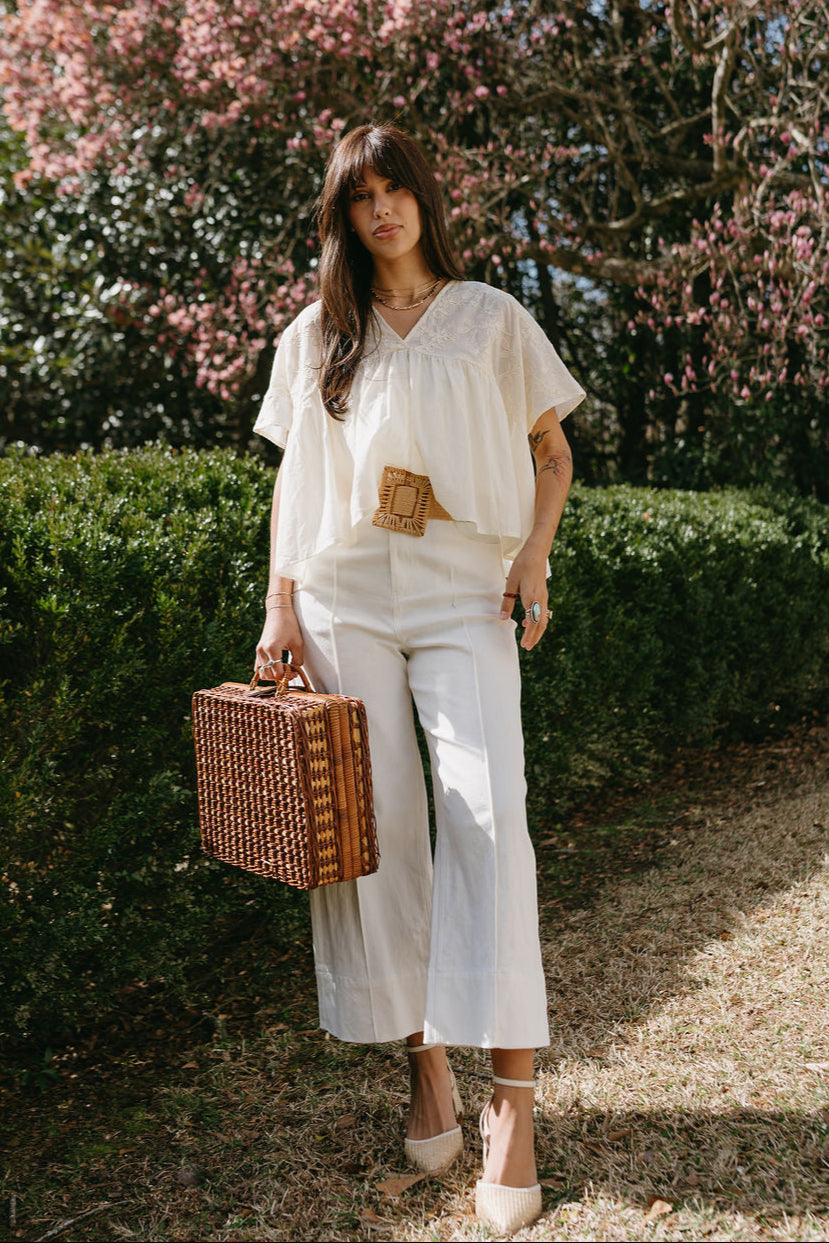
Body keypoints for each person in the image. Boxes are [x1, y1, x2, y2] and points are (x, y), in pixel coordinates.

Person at [253, 123, 584, 1234]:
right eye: (361, 197)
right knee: (379, 832)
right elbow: (297, 485)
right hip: (347, 601)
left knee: (491, 816)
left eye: (396, 189)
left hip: (460, 596)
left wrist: (532, 557)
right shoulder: (317, 336)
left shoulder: (491, 317)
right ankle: (425, 1068)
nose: (381, 210)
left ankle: (512, 1106)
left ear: (422, 199)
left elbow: (551, 450)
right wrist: (279, 608)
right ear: (342, 218)